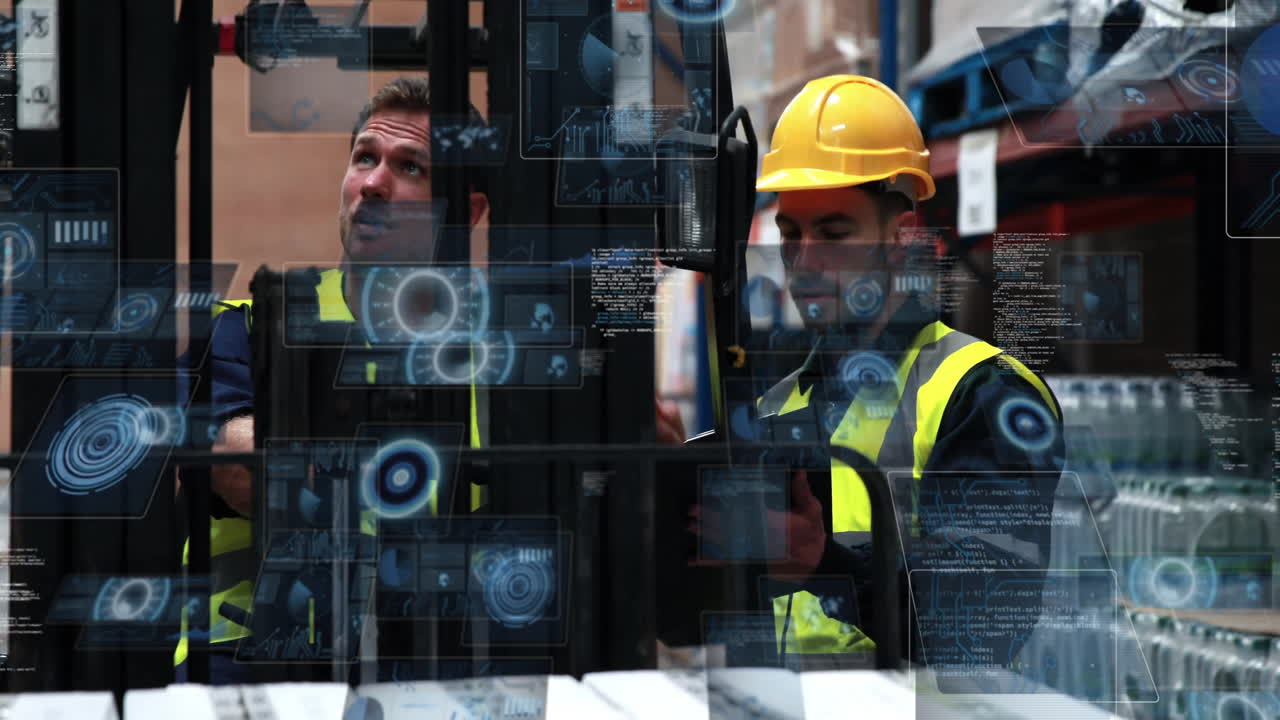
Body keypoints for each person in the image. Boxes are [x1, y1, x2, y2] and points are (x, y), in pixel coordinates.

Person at [677, 75, 1065, 670]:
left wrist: (824, 564)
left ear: (899, 236)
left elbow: (980, 633)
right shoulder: (775, 406)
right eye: (790, 234)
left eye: (834, 233)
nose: (804, 261)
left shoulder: (982, 393)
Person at [175, 76, 489, 683]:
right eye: (364, 157)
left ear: (468, 212)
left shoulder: (499, 358)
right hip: (248, 667)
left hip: (427, 670)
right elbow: (243, 468)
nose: (372, 183)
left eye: (411, 167)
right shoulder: (243, 330)